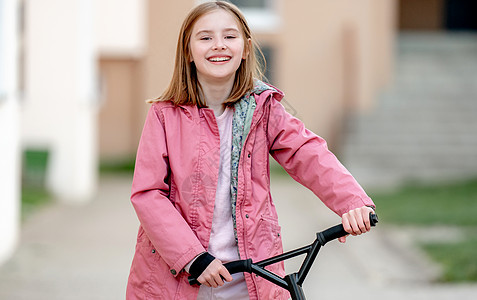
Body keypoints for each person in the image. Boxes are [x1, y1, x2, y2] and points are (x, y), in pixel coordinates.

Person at [126, 1, 375, 299]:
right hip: (181, 274)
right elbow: (148, 193)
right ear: (188, 53)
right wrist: (192, 258)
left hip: (253, 275)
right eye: (205, 38)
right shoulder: (166, 115)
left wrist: (352, 202)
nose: (218, 45)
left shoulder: (264, 108)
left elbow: (307, 153)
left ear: (245, 48)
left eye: (229, 36)